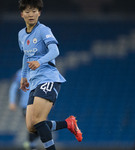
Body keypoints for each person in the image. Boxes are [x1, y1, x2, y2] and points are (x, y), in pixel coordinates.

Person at [18, 0, 83, 150]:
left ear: (39, 12)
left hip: (48, 78)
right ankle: (68, 124)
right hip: (34, 82)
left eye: (34, 11)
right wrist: (23, 76)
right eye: (27, 12)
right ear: (22, 14)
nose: (31, 14)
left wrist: (39, 62)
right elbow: (25, 56)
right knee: (32, 127)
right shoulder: (21, 34)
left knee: (39, 120)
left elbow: (55, 51)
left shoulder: (43, 30)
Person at [9, 68, 39, 150]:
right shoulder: (21, 73)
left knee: (41, 126)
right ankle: (31, 145)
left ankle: (30, 143)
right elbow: (14, 87)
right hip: (26, 105)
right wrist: (12, 101)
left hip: (39, 104)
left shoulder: (40, 70)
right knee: (34, 124)